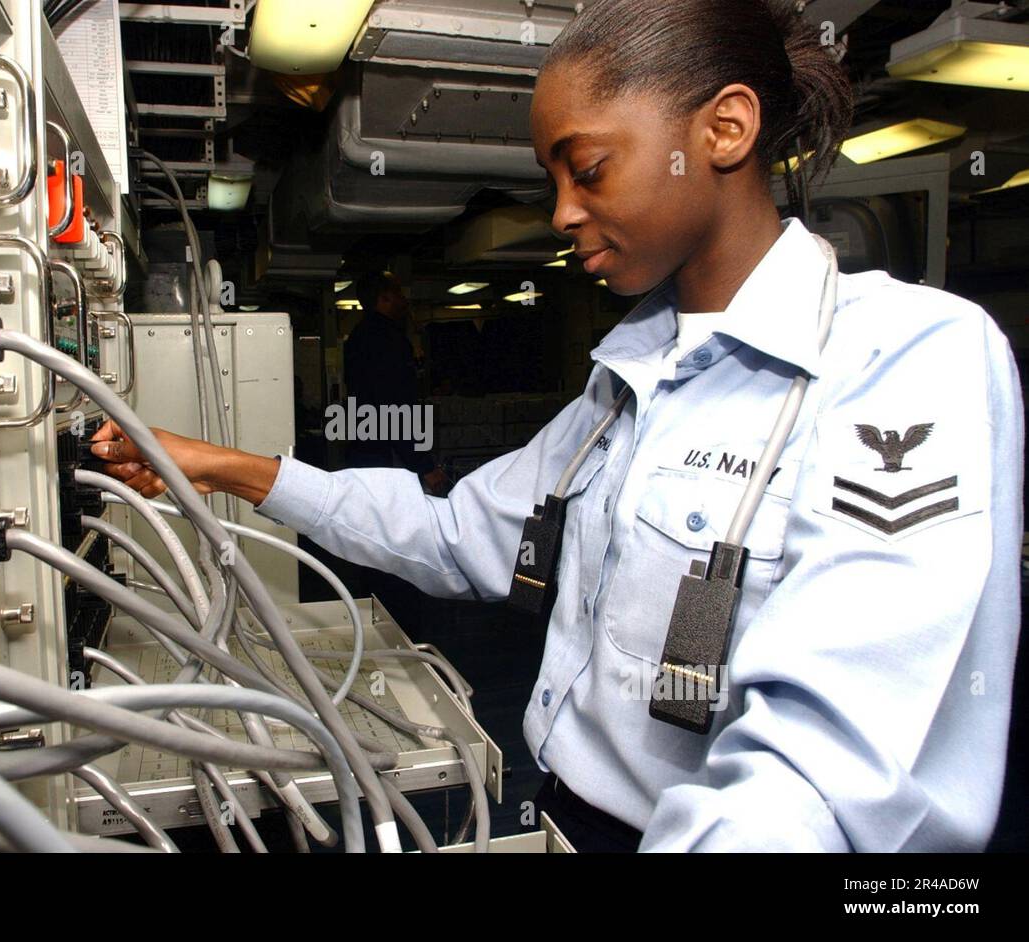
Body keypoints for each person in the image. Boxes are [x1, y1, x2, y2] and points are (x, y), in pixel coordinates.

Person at [90, 0, 1023, 852]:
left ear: (724, 129)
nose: (564, 212)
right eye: (554, 179)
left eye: (587, 169)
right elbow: (456, 533)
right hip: (564, 815)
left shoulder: (906, 359)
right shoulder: (626, 383)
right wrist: (220, 466)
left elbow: (815, 779)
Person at [343, 272, 450, 495]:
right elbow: (394, 406)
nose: (404, 300)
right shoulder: (388, 340)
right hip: (388, 455)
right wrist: (423, 465)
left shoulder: (357, 336)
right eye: (398, 294)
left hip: (365, 446)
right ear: (384, 299)